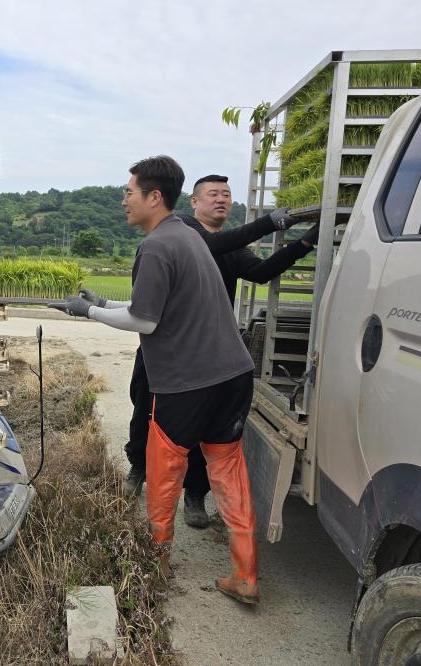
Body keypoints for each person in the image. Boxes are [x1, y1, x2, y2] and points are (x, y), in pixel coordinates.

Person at [52, 155, 261, 604]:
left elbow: (145, 321)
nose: (122, 200)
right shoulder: (185, 235)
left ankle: (156, 561)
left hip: (189, 382)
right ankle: (246, 575)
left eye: (129, 192)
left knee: (165, 471)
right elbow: (162, 303)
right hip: (234, 375)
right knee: (228, 471)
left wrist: (86, 312)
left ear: (153, 197)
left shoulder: (156, 245)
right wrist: (104, 301)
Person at [108, 174, 320, 528]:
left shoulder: (232, 245)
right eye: (212, 194)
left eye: (226, 194)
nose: (220, 199)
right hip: (163, 349)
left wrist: (307, 242)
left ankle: (194, 495)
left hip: (206, 357)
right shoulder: (184, 229)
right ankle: (138, 469)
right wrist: (268, 222)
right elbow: (211, 244)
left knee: (203, 428)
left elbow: (263, 271)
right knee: (145, 407)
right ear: (193, 202)